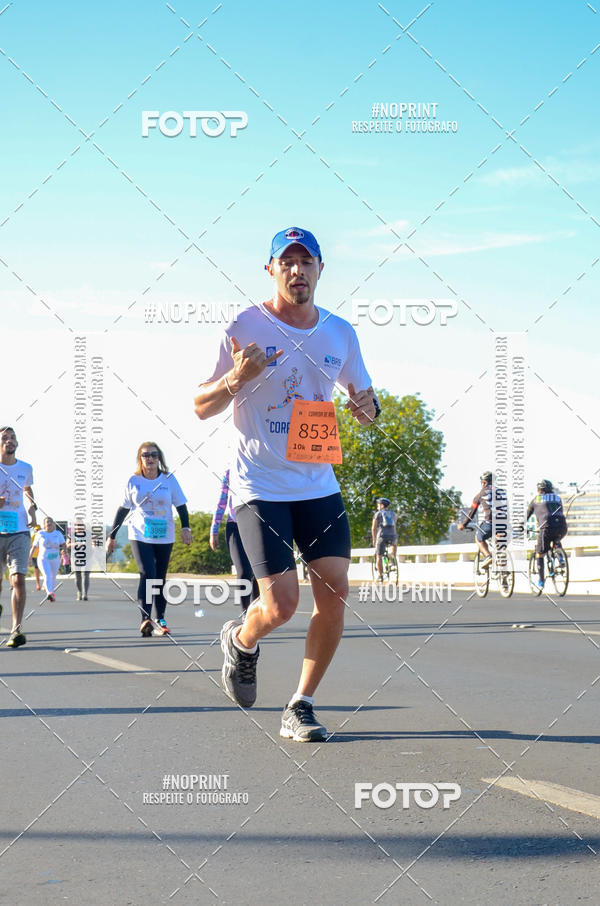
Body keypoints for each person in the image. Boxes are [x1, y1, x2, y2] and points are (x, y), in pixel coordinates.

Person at [194, 226, 379, 742]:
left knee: (335, 592)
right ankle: (242, 639)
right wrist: (236, 378)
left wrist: (368, 407)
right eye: (287, 262)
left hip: (318, 482)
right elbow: (199, 405)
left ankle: (301, 703)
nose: (298, 271)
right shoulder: (243, 325)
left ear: (321, 270)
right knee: (281, 605)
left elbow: (362, 393)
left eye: (307, 262)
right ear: (271, 270)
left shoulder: (341, 333)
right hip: (260, 486)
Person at [105, 442, 192, 637]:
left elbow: (181, 505)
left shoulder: (168, 479)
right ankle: (145, 619)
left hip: (164, 535)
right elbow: (123, 509)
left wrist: (186, 527)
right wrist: (112, 536)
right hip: (139, 534)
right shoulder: (134, 481)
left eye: (154, 454)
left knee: (160, 577)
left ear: (159, 458)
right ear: (140, 459)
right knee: (147, 573)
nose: (150, 458)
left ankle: (160, 619)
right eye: (146, 455)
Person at [0, 426, 37, 648]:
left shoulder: (25, 468)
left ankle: (16, 629)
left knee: (18, 579)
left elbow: (27, 489)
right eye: (4, 438)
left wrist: (32, 507)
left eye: (13, 437)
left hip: (20, 530)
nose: (10, 441)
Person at [210, 469, 259, 615]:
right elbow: (222, 500)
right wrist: (214, 529)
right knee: (244, 571)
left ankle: (256, 612)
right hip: (235, 525)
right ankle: (245, 613)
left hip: (256, 525)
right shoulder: (229, 472)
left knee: (258, 572)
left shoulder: (261, 467)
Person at [526, 480, 568, 589]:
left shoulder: (536, 499)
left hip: (546, 528)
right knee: (556, 538)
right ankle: (560, 556)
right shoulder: (557, 498)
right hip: (562, 526)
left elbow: (527, 515)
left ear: (539, 489)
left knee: (539, 553)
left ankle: (541, 581)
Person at [457, 470, 495, 566]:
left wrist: (463, 524)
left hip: (490, 524)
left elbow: (471, 513)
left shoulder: (479, 495)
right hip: (505, 524)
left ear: (483, 482)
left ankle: (487, 556)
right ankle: (504, 572)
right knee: (500, 546)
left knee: (478, 537)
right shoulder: (502, 492)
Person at [30, 518, 66, 602]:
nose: (49, 523)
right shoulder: (40, 533)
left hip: (55, 558)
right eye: (47, 522)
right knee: (47, 575)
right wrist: (30, 558)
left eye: (51, 522)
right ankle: (49, 593)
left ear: (53, 524)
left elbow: (63, 544)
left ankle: (51, 593)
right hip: (43, 559)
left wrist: (64, 550)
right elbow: (34, 547)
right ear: (44, 524)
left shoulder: (58, 534)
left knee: (53, 576)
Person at [371, 498, 398, 581]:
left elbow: (373, 528)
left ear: (382, 505)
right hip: (393, 536)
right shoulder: (394, 514)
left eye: (378, 505)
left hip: (382, 536)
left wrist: (374, 540)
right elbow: (394, 525)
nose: (377, 507)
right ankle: (393, 560)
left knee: (379, 556)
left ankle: (380, 575)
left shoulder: (378, 514)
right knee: (394, 543)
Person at [30, 524, 42, 590]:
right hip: (35, 555)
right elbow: (30, 546)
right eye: (36, 530)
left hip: (43, 555)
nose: (37, 531)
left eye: (38, 529)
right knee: (37, 569)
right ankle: (38, 584)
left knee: (44, 569)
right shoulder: (32, 536)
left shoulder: (43, 535)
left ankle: (44, 584)